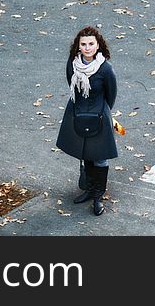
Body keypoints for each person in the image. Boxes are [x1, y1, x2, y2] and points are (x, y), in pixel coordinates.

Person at [56, 26, 118, 216]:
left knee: (99, 157)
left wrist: (101, 112)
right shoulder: (72, 64)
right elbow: (72, 86)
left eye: (91, 44)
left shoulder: (105, 69)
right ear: (78, 46)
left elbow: (111, 95)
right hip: (78, 113)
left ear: (98, 45)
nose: (87, 47)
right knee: (86, 153)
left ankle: (98, 196)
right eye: (83, 44)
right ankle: (89, 190)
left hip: (99, 116)